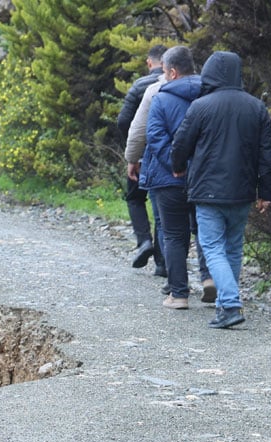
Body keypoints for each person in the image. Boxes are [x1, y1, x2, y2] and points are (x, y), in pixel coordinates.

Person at [171, 51, 271, 329]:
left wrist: (177, 165)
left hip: (208, 191)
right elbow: (267, 155)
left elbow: (181, 143)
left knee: (213, 247)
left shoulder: (201, 106)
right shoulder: (257, 107)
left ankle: (229, 304)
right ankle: (223, 306)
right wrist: (266, 192)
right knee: (233, 248)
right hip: (242, 191)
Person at [138, 46, 200, 310]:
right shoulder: (209, 94)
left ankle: (179, 293)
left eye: (163, 71)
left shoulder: (161, 98)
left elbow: (155, 138)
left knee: (175, 236)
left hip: (168, 178)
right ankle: (210, 281)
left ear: (172, 72)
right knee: (206, 232)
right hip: (202, 177)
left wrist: (175, 165)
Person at [115, 44, 166, 275]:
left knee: (135, 199)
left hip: (141, 156)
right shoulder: (175, 84)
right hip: (166, 157)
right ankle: (163, 263)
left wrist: (132, 152)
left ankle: (144, 240)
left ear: (149, 63)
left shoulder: (139, 86)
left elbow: (123, 121)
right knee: (163, 210)